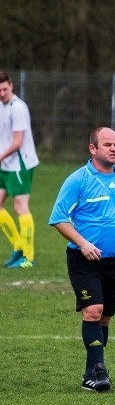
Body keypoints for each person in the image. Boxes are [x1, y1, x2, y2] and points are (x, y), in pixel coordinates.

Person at [49, 127, 115, 392]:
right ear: (92, 149)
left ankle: (89, 374)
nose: (114, 148)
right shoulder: (78, 180)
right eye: (107, 144)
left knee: (104, 318)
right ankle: (99, 370)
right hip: (83, 259)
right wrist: (83, 243)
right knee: (92, 310)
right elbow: (59, 217)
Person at [0, 71, 40, 269]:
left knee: (20, 207)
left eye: (5, 89)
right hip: (5, 164)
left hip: (19, 164)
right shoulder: (1, 106)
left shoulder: (17, 108)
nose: (2, 93)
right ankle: (18, 246)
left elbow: (17, 141)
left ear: (11, 86)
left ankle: (29, 257)